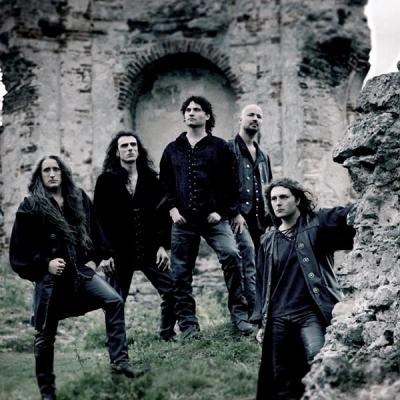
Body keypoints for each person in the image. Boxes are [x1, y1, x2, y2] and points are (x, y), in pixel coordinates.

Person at [9, 155, 144, 400]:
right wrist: (45, 264)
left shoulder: (78, 197)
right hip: (50, 282)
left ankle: (120, 363)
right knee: (44, 337)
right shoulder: (30, 205)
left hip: (79, 273)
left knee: (114, 301)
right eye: (46, 170)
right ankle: (47, 394)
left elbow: (95, 229)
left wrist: (95, 259)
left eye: (56, 169)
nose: (52, 174)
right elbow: (19, 250)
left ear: (63, 173)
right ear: (40, 175)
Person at [253, 178, 355, 400]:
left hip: (310, 313)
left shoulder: (316, 224)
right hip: (278, 317)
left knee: (320, 363)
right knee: (282, 377)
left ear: (297, 200)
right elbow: (261, 281)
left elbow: (348, 215)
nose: (278, 203)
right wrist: (261, 322)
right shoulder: (268, 240)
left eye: (283, 197)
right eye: (273, 199)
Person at [159, 95, 252, 338]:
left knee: (232, 256)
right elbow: (164, 184)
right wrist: (172, 209)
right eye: (188, 110)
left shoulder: (220, 147)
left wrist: (220, 211)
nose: (191, 113)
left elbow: (232, 183)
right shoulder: (172, 149)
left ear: (207, 116)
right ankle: (188, 325)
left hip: (214, 220)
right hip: (183, 222)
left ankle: (239, 316)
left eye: (197, 109)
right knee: (180, 273)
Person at [94, 131, 176, 342]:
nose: (130, 148)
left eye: (133, 145)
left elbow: (164, 215)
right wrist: (104, 255)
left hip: (150, 249)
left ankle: (167, 335)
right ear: (117, 152)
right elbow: (98, 220)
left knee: (172, 291)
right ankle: (116, 344)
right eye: (124, 146)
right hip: (118, 253)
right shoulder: (106, 181)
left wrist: (162, 246)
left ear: (139, 150)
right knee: (114, 300)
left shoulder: (151, 180)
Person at [228, 104, 273, 317]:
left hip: (260, 219)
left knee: (261, 262)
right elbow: (222, 184)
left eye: (259, 116)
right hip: (238, 216)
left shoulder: (263, 155)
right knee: (246, 257)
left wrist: (272, 220)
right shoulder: (228, 148)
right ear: (241, 119)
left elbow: (269, 187)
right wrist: (234, 213)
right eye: (250, 115)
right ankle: (251, 312)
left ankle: (262, 309)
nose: (255, 119)